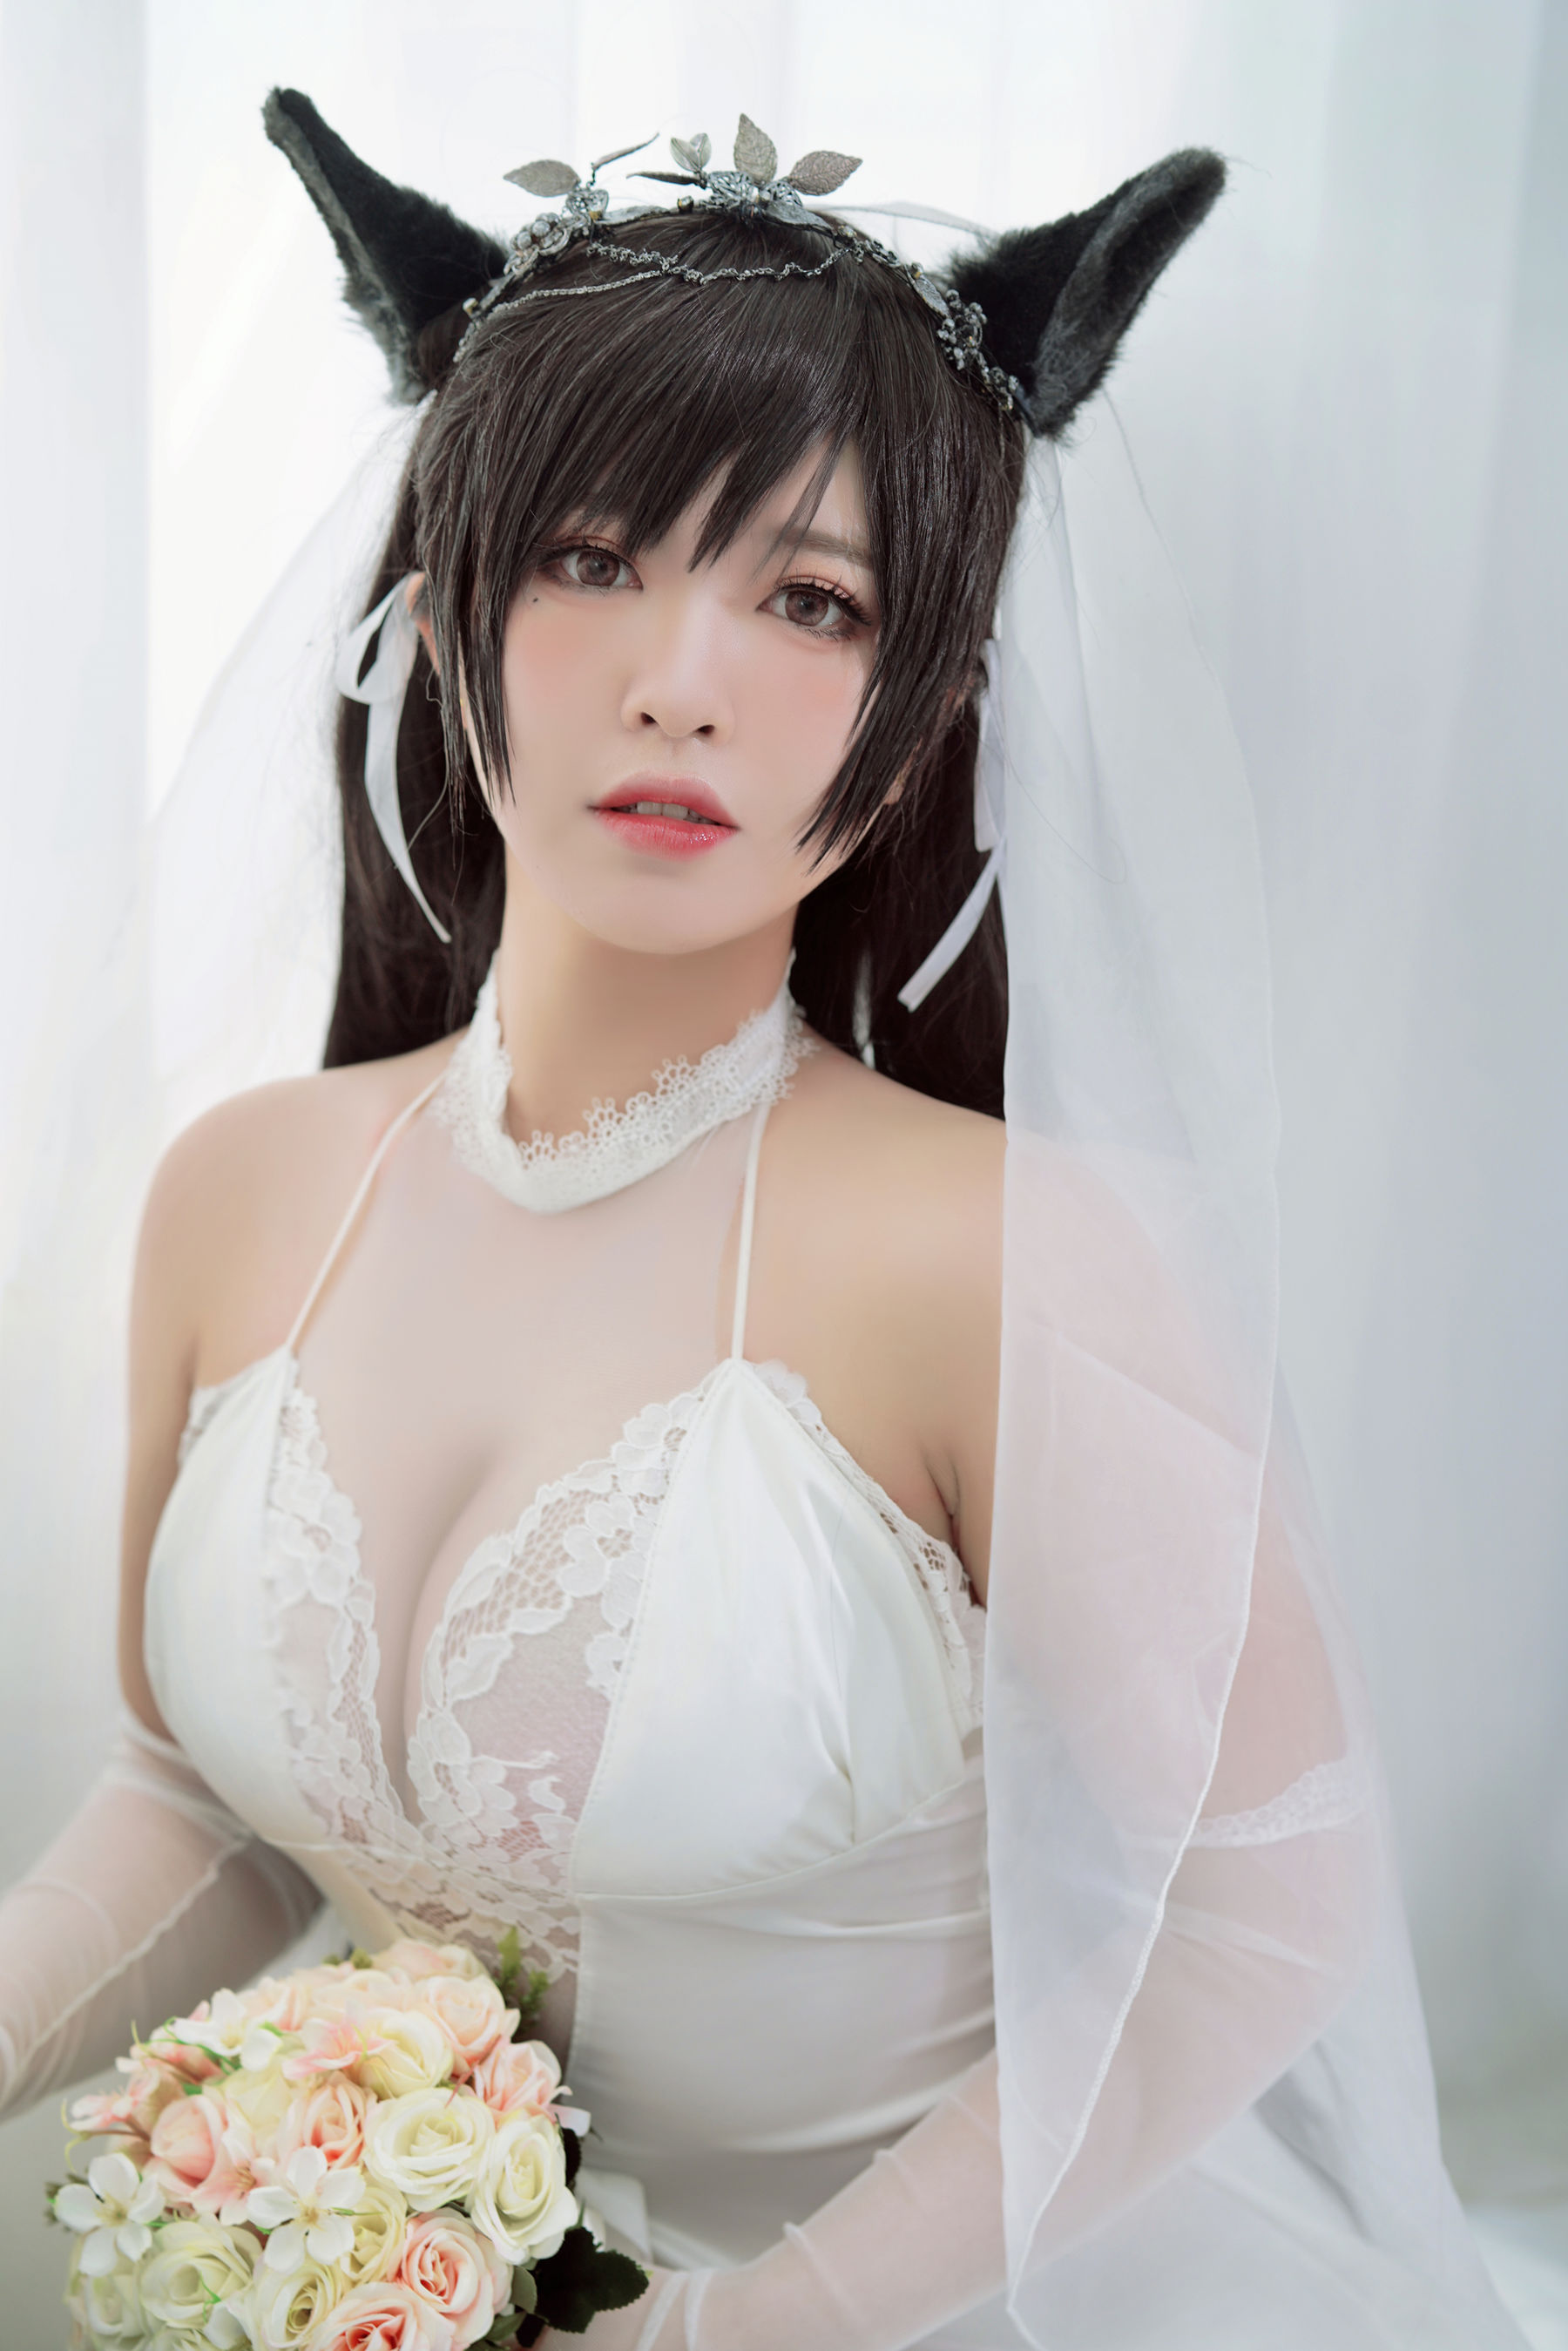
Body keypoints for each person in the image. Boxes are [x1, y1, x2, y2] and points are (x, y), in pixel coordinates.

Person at [0, 89, 1525, 2350]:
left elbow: (1257, 1906)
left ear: (925, 708)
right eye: (588, 555)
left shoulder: (1015, 1258)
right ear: (434, 612)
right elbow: (199, 1809)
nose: (682, 679)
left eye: (810, 599)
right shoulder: (242, 1190)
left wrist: (747, 2327)